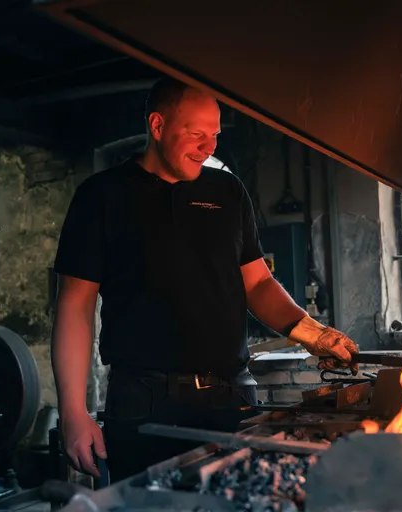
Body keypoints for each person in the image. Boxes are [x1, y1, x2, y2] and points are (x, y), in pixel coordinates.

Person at [51, 77, 359, 482]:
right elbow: (74, 307)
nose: (209, 146)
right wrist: (74, 413)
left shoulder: (228, 191)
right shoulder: (102, 196)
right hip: (145, 403)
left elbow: (259, 285)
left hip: (232, 398)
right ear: (157, 126)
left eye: (214, 135)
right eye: (196, 134)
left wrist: (314, 334)